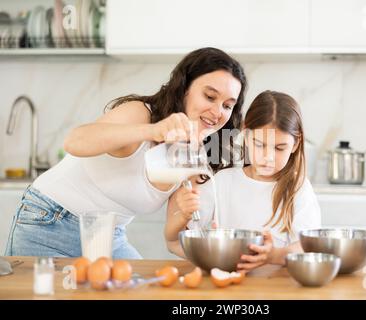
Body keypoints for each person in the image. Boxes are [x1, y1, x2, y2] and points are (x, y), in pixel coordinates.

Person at [5, 47, 247, 259]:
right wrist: (154, 130)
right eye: (209, 96)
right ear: (184, 88)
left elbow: (174, 240)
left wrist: (221, 255)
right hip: (49, 222)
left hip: (108, 235)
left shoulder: (197, 154)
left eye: (227, 105)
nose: (217, 112)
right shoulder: (141, 114)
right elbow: (74, 141)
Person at [165, 90, 321, 271]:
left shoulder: (298, 189)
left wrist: (274, 256)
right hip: (229, 283)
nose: (268, 157)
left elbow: (308, 246)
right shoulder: (222, 182)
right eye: (259, 144)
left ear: (295, 144)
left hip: (278, 287)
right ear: (246, 136)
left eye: (279, 148)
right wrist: (183, 215)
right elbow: (175, 241)